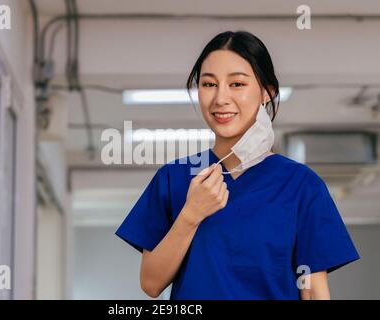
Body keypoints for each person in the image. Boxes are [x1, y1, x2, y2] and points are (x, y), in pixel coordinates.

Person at [115, 30, 360, 300]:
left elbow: (313, 292)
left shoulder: (301, 185)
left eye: (237, 84)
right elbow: (151, 283)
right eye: (209, 84)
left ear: (267, 92)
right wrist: (191, 215)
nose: (220, 98)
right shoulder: (174, 179)